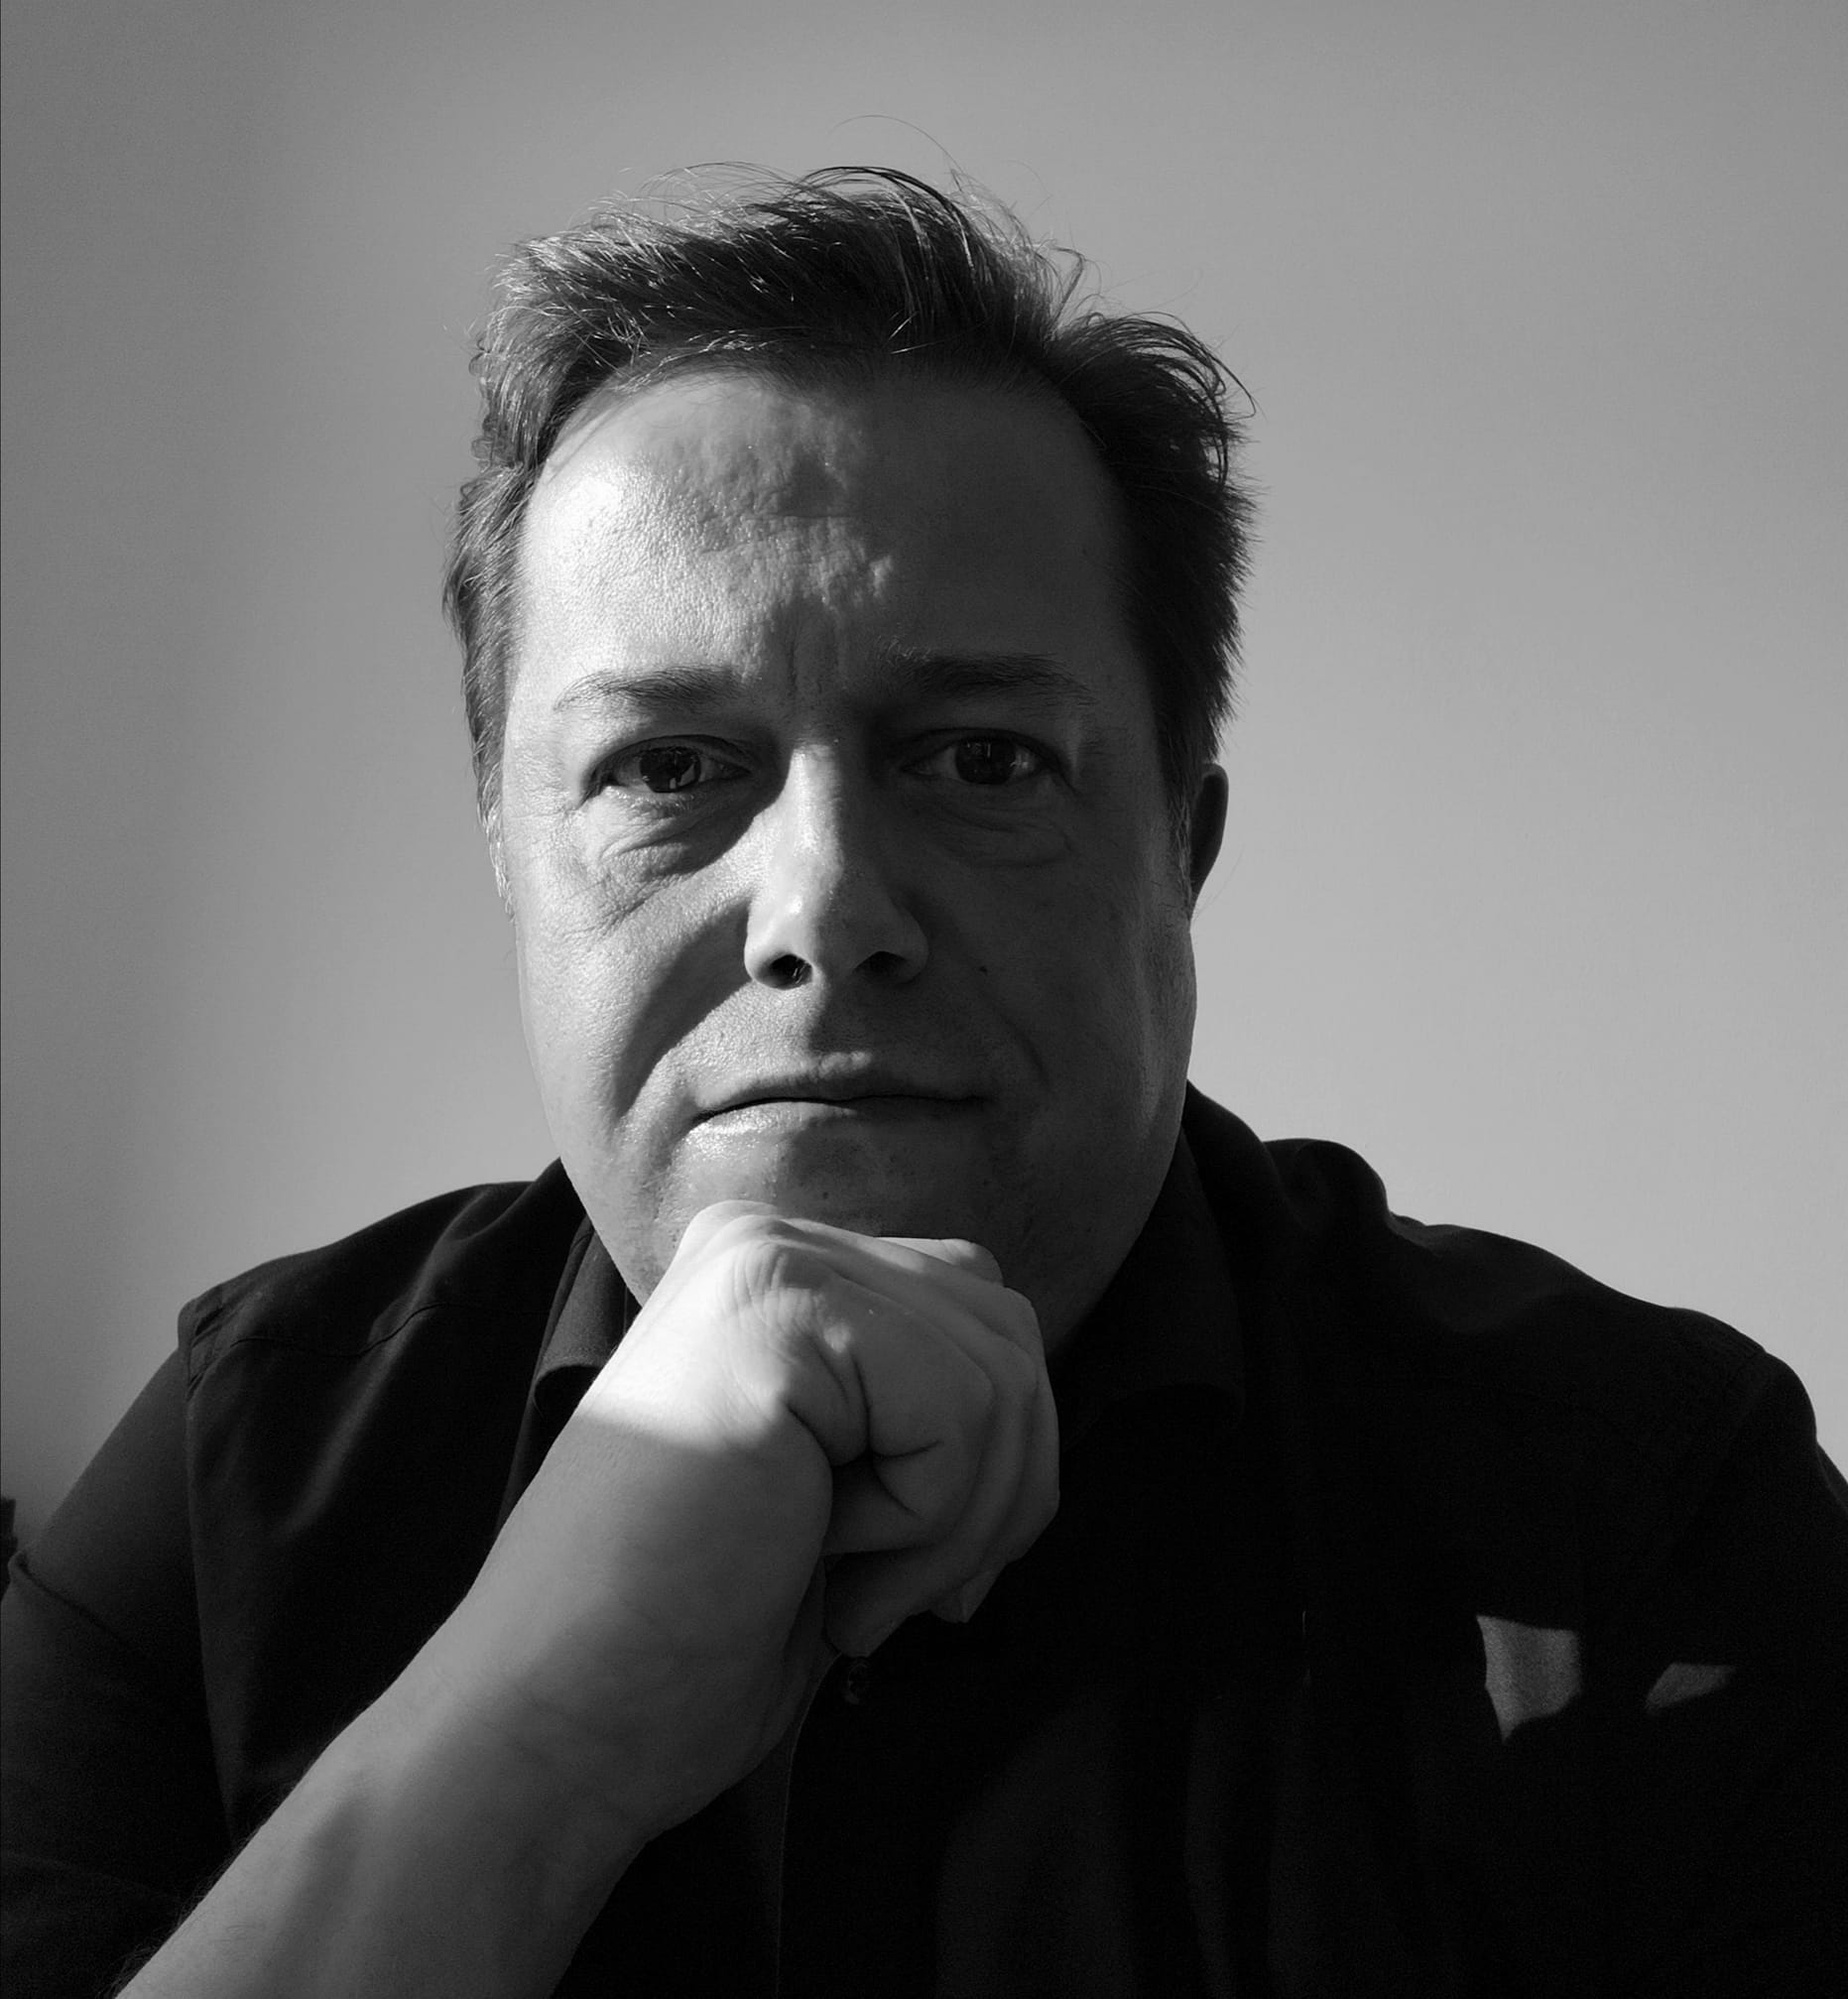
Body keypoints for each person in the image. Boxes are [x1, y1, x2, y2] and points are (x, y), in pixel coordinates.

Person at [3, 167, 1844, 1999]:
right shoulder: (237, 1474)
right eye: (668, 768)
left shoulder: (1642, 1515)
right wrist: (532, 1737)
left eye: (980, 758)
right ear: (508, 850)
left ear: (1181, 849)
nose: (822, 911)